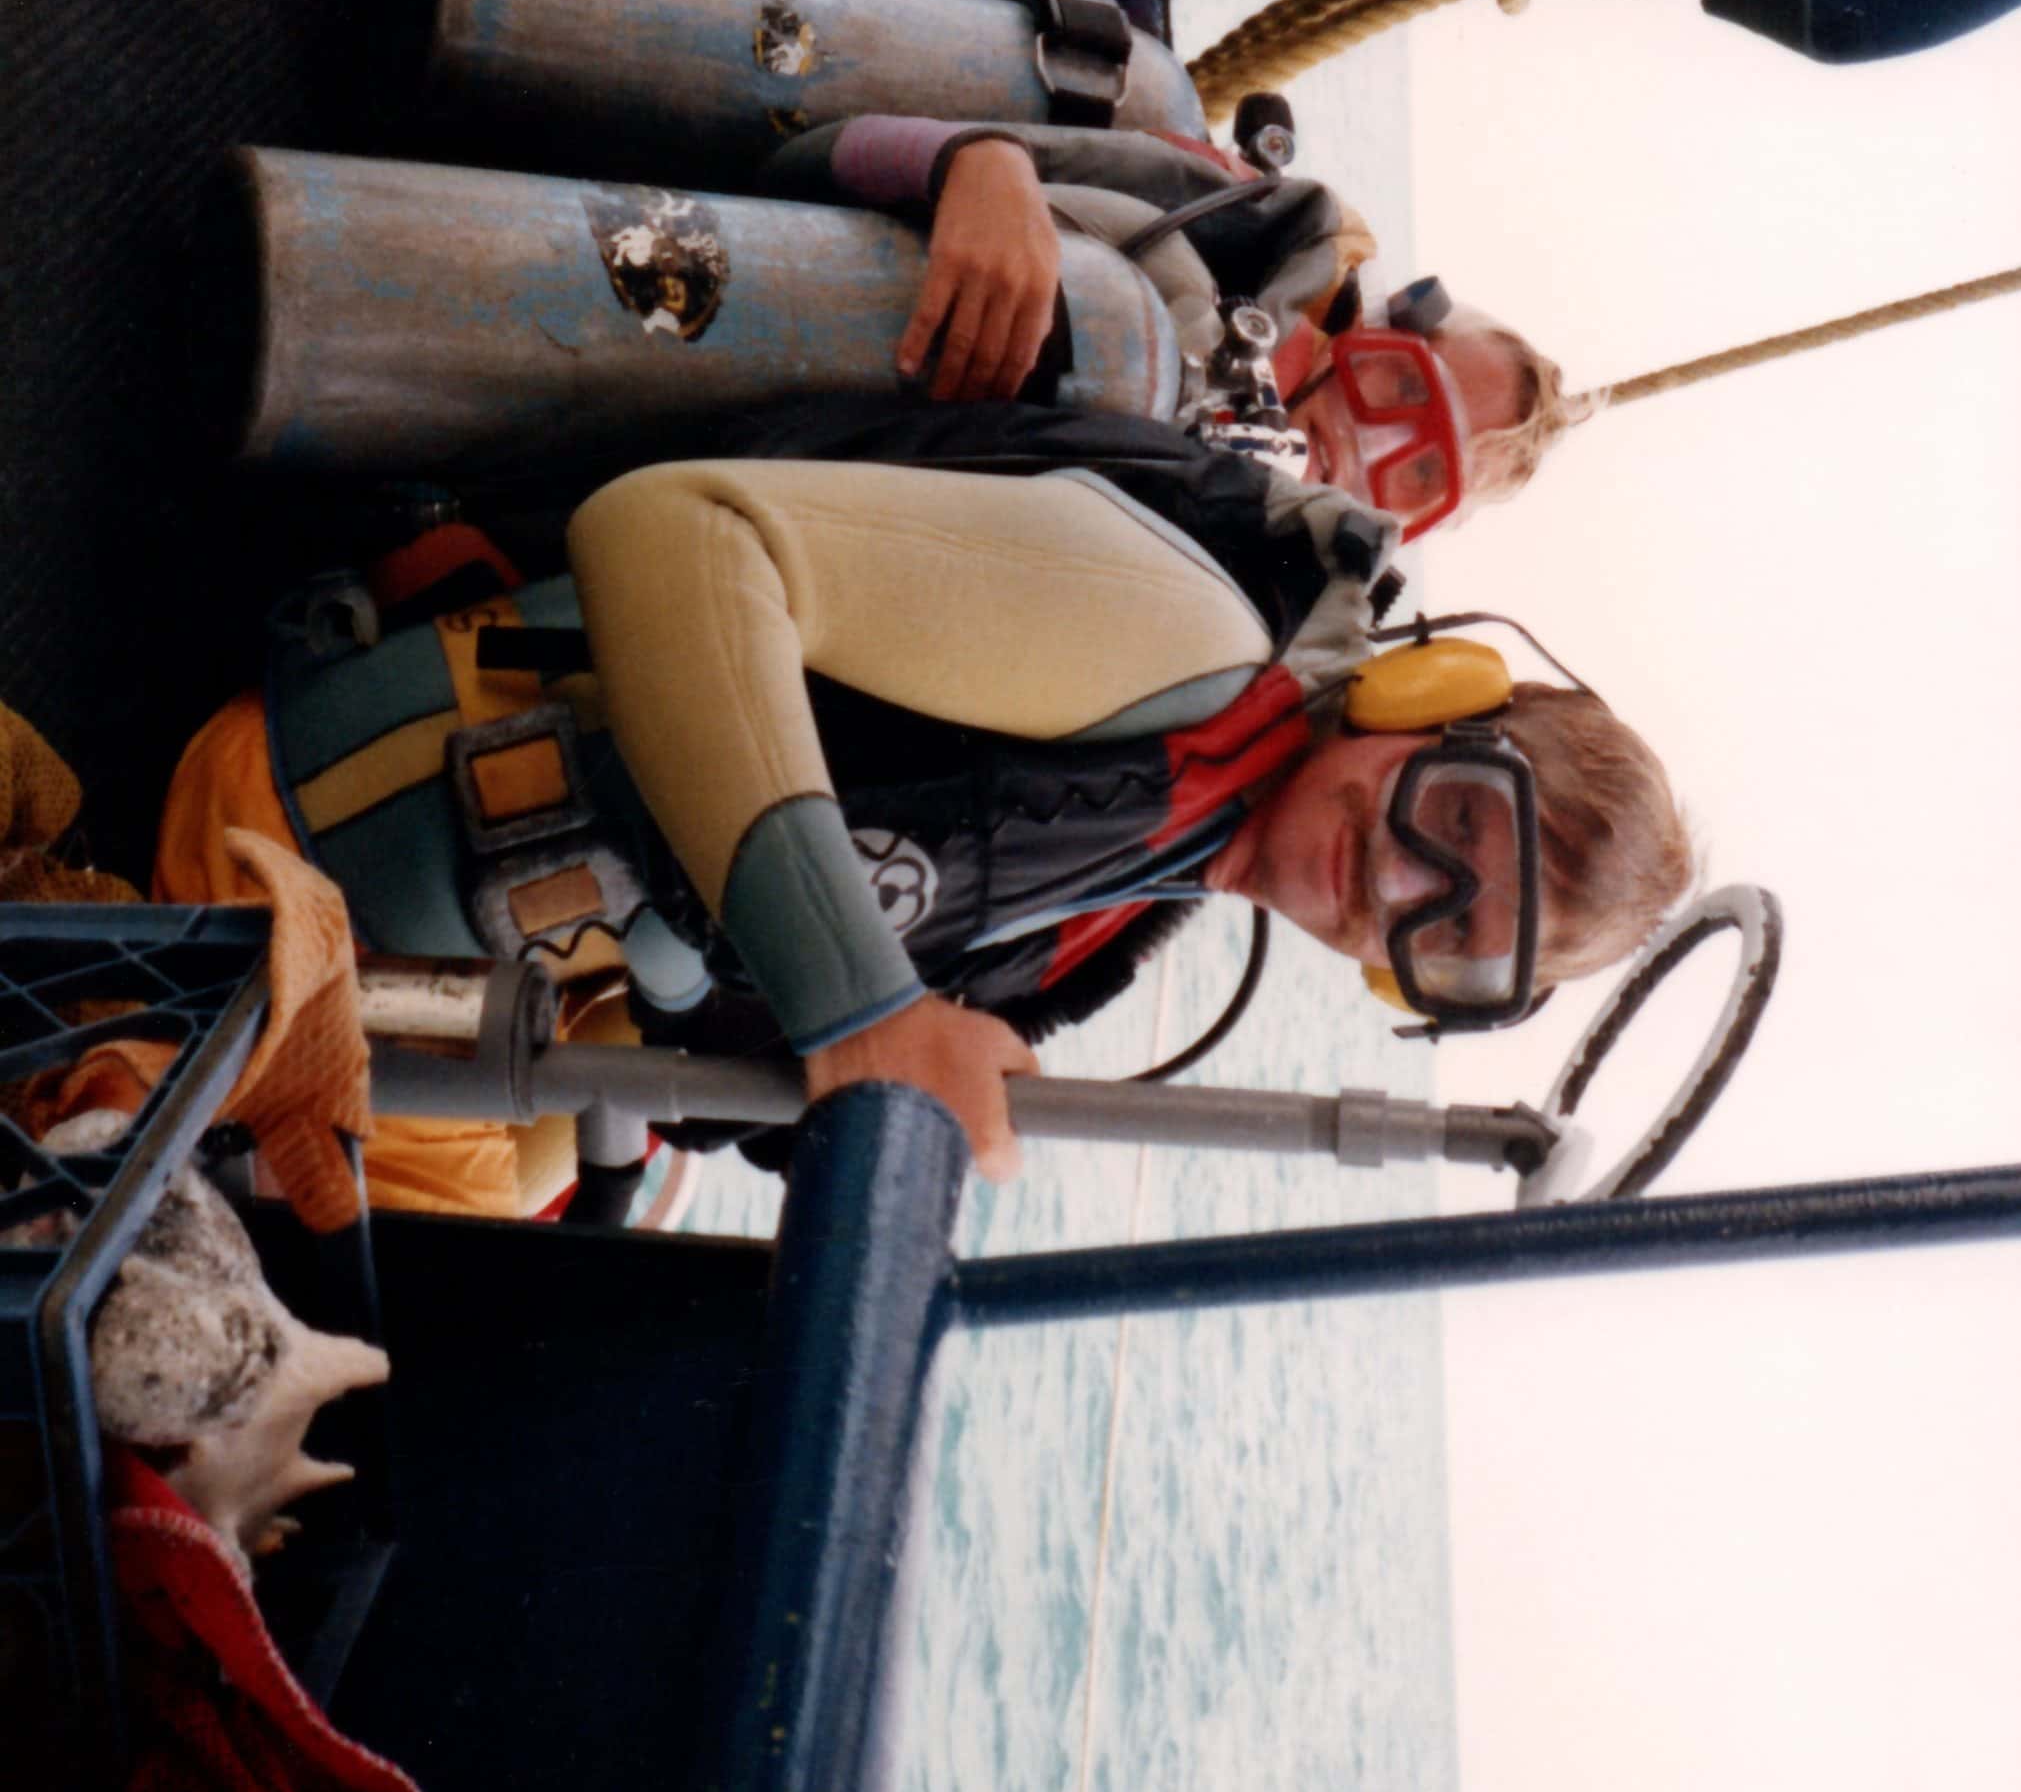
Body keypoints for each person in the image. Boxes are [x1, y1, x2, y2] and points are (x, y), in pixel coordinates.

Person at [153, 446, 1691, 1206]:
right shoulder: (1171, 639)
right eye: (1452, 824)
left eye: (1450, 939)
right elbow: (678, 536)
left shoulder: (1114, 906)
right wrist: (870, 1016)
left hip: (376, 1023)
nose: (1395, 887)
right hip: (269, 848)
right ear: (1432, 694)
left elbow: (710, 1050)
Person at [756, 111, 1577, 531]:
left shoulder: (1233, 591)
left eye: (1420, 474)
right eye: (1400, 385)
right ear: (1369, 331)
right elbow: (812, 155)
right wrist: (973, 161)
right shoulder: (1189, 242)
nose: (1370, 441)